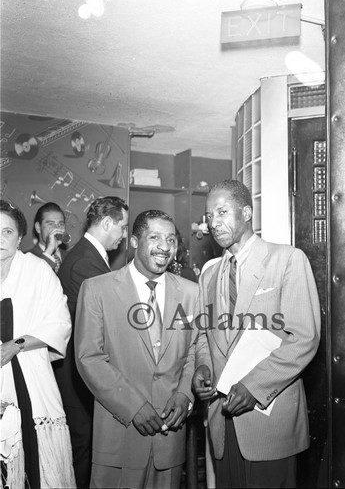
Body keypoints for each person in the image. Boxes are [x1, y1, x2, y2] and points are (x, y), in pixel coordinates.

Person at [192, 180, 321, 489]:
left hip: (268, 421)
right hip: (222, 425)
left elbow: (304, 338)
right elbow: (203, 337)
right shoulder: (209, 273)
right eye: (209, 215)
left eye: (223, 211)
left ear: (247, 212)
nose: (214, 222)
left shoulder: (287, 259)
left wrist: (254, 387)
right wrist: (203, 368)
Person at [75, 209, 199, 489]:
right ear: (133, 241)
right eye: (154, 237)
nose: (165, 247)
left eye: (171, 239)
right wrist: (134, 407)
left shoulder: (192, 293)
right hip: (118, 440)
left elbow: (194, 350)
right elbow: (89, 358)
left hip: (170, 442)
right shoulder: (97, 289)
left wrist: (184, 395)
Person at [54, 195, 129, 489]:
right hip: (78, 371)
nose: (124, 235)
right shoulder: (87, 262)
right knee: (83, 446)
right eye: (122, 227)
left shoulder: (87, 255)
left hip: (76, 367)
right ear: (107, 223)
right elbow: (113, 317)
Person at [0, 200, 76, 488]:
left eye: (7, 232)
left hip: (30, 378)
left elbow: (59, 322)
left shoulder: (38, 271)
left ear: (20, 237)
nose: (0, 239)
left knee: (36, 463)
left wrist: (16, 344)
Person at [27, 201, 68, 273]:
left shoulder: (71, 257)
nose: (56, 229)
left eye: (61, 224)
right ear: (38, 227)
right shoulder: (26, 258)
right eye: (50, 224)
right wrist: (49, 250)